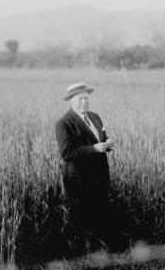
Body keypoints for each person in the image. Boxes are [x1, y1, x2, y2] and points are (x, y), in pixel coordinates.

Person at [55, 82, 116, 245]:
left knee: (101, 210)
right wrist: (94, 148)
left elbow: (101, 139)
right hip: (79, 177)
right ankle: (84, 250)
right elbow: (67, 153)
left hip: (100, 173)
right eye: (80, 99)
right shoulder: (63, 124)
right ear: (71, 101)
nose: (84, 103)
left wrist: (107, 143)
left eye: (86, 99)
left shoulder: (95, 117)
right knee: (83, 215)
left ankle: (101, 248)